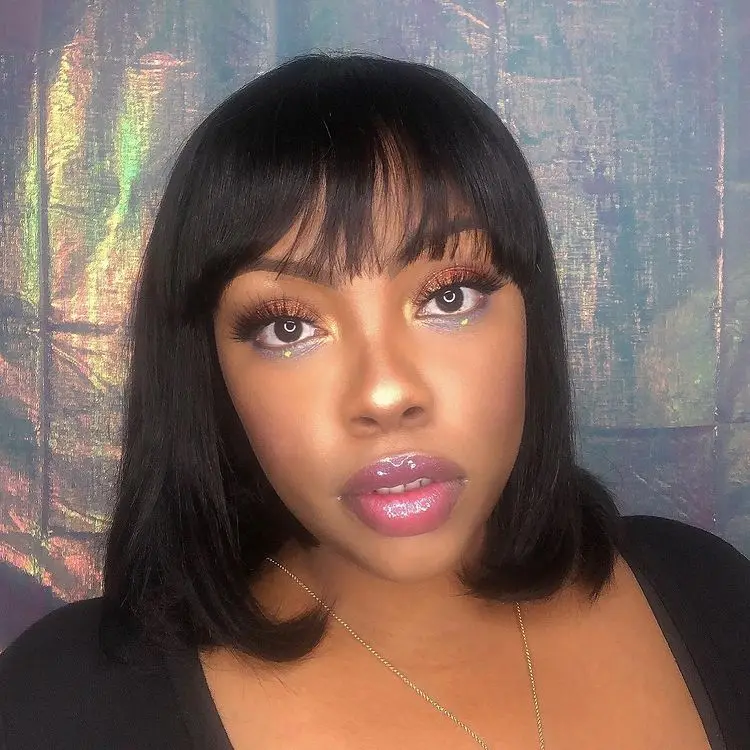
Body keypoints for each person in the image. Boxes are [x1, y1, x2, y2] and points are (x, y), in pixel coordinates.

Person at [1, 52, 748, 750]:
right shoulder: (67, 706)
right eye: (288, 327)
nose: (386, 395)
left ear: (532, 317)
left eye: (449, 297)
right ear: (208, 370)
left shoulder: (707, 593)